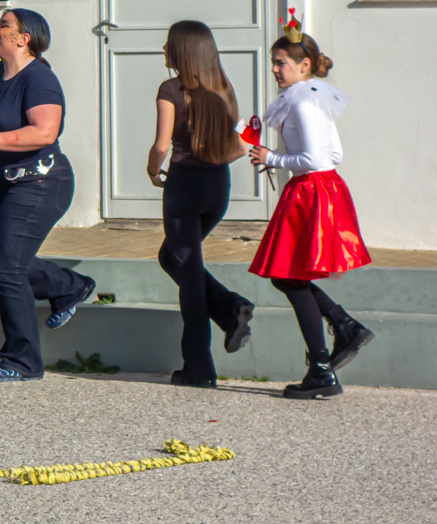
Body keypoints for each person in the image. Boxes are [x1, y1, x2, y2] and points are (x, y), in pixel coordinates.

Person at [0, 9, 96, 383]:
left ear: (24, 39)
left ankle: (23, 361)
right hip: (0, 179)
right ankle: (70, 286)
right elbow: (0, 121)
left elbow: (44, 132)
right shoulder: (0, 73)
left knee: (8, 267)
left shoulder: (40, 79)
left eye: (4, 25)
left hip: (39, 182)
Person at [248, 21, 374, 400]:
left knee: (288, 276)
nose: (274, 69)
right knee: (288, 276)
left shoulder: (303, 100)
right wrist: (278, 157)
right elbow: (334, 154)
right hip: (321, 189)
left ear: (304, 66)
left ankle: (323, 363)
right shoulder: (316, 96)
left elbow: (314, 159)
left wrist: (272, 158)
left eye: (281, 62)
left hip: (310, 191)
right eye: (273, 62)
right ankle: (341, 328)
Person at [147, 20, 257, 388]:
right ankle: (230, 308)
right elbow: (244, 143)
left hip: (184, 188)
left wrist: (152, 170)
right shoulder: (223, 87)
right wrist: (216, 158)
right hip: (217, 187)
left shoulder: (170, 89)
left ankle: (198, 369)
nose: (164, 49)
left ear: (182, 51)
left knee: (189, 279)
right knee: (173, 259)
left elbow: (162, 145)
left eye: (168, 44)